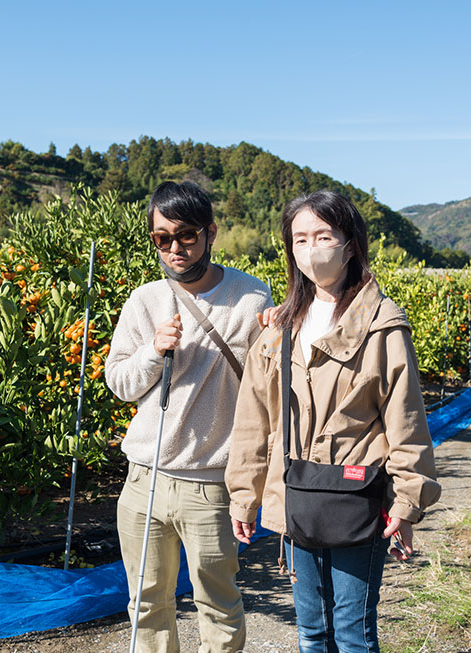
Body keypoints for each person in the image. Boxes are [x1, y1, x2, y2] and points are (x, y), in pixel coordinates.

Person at [225, 190, 441, 653]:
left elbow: (405, 420)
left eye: (324, 236)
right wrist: (244, 495)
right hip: (297, 495)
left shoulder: (382, 325)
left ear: (350, 244)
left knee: (353, 633)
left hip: (356, 495)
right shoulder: (279, 327)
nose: (312, 249)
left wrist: (407, 503)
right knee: (311, 630)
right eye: (300, 239)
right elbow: (255, 420)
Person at [105, 180, 273, 653]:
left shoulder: (251, 300)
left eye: (186, 235)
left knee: (217, 603)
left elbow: (268, 396)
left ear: (210, 232)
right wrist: (152, 353)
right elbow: (118, 383)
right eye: (162, 238)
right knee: (146, 604)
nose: (175, 248)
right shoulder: (144, 301)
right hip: (144, 480)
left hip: (211, 484)